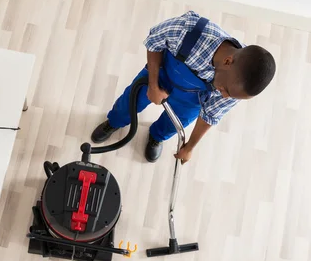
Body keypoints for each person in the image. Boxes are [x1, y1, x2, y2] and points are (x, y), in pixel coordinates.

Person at [90, 11, 276, 163]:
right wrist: (153, 85)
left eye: (231, 96)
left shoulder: (237, 84)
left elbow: (210, 114)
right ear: (227, 61)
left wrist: (189, 148)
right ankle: (113, 122)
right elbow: (154, 41)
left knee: (173, 124)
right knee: (128, 103)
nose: (225, 97)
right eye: (225, 90)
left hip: (192, 99)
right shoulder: (189, 30)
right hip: (162, 73)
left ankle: (156, 137)